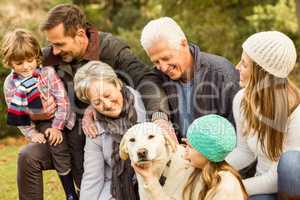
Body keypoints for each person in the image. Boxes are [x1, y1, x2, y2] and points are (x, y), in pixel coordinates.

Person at [15, 4, 168, 200]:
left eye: (60, 44)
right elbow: (17, 82)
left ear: (80, 34)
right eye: (51, 44)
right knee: (28, 157)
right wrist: (33, 112)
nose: (53, 50)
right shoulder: (47, 57)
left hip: (103, 134)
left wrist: (159, 115)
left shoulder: (112, 49)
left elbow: (146, 79)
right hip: (61, 137)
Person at [1, 29, 78, 200]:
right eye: (20, 63)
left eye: (30, 60)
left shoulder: (47, 73)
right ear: (10, 62)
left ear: (37, 56)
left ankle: (71, 193)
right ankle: (71, 194)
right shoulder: (10, 84)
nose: (27, 67)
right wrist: (32, 133)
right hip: (40, 124)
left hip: (63, 118)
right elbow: (18, 113)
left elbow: (63, 101)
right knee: (52, 143)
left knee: (58, 144)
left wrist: (57, 127)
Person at [226, 31, 300, 200]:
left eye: (244, 64)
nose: (237, 67)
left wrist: (232, 188)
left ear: (262, 74)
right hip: (264, 187)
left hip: (291, 188)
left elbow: (283, 175)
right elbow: (244, 151)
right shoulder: (242, 100)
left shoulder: (296, 111)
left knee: (290, 161)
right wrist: (215, 171)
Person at [140, 17, 240, 139]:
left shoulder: (222, 73)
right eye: (156, 62)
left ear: (183, 44)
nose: (163, 67)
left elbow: (238, 133)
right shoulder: (157, 77)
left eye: (166, 58)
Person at [74, 61, 146, 200]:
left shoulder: (144, 104)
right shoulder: (94, 128)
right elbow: (92, 177)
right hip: (115, 186)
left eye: (107, 95)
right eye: (97, 102)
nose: (106, 105)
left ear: (117, 84)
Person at [133, 114, 248, 200]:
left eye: (190, 146)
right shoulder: (200, 173)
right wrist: (150, 178)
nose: (184, 151)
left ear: (206, 153)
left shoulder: (225, 187)